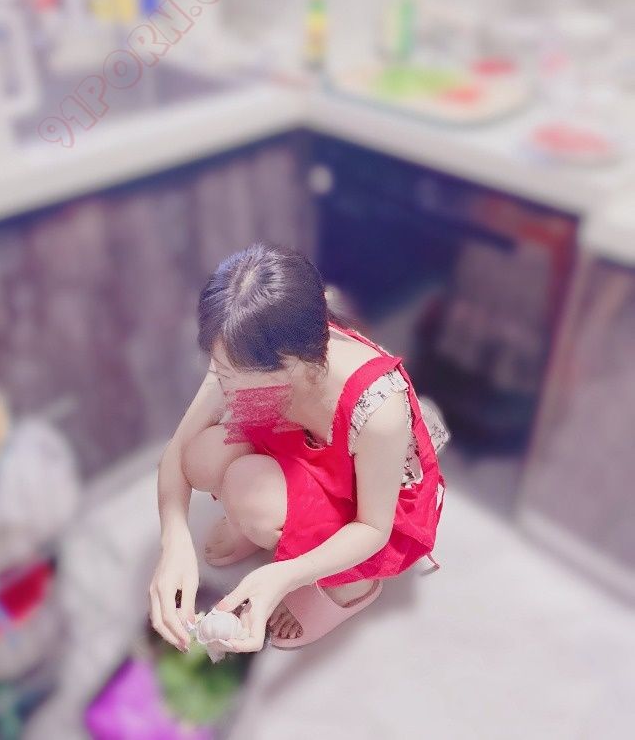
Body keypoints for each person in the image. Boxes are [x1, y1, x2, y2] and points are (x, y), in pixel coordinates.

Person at [150, 242, 448, 654]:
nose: (222, 383)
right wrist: (174, 541)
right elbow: (178, 449)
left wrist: (284, 576)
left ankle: (352, 587)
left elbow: (373, 528)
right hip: (297, 449)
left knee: (251, 493)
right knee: (201, 456)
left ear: (289, 363)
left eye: (232, 374)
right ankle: (262, 525)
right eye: (219, 367)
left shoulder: (379, 409)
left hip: (358, 497)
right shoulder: (248, 346)